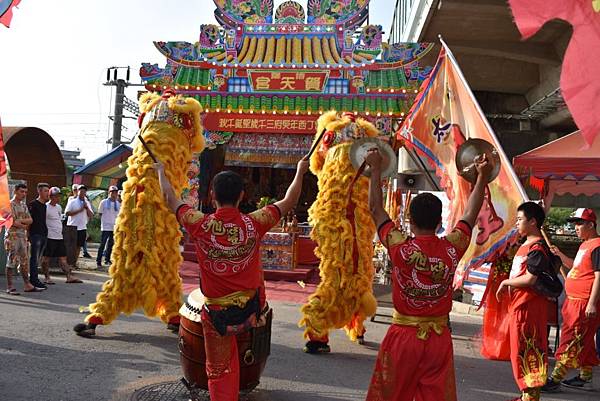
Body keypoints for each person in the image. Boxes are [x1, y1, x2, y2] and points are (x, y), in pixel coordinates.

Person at [155, 155, 309, 401]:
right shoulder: (254, 222)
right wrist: (300, 171)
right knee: (240, 359)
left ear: (212, 196)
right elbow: (290, 200)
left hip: (216, 315)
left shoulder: (199, 223)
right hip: (250, 312)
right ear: (241, 196)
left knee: (219, 370)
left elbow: (169, 198)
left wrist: (161, 170)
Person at [364, 149, 491, 401]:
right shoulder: (453, 245)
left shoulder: (399, 246)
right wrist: (482, 179)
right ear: (438, 223)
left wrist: (376, 169)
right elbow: (470, 214)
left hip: (403, 336)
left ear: (410, 220)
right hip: (438, 338)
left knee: (391, 395)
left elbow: (375, 209)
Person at [496, 202, 552, 401]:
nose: (517, 223)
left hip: (528, 307)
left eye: (520, 219)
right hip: (519, 305)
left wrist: (505, 282)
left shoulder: (536, 249)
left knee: (529, 349)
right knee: (521, 349)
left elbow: (530, 279)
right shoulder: (526, 246)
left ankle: (531, 395)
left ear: (533, 222)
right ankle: (527, 394)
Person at [542, 208, 600, 392]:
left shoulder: (597, 246)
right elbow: (576, 267)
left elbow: (599, 276)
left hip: (584, 302)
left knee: (572, 339)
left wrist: (591, 302)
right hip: (574, 301)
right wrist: (559, 254)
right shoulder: (585, 245)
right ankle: (585, 377)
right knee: (585, 340)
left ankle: (556, 378)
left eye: (579, 223)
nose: (576, 227)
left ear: (591, 225)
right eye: (575, 223)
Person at [4, 183, 42, 294]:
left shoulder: (23, 205)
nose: (24, 194)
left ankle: (27, 285)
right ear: (15, 191)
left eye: (25, 192)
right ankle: (10, 286)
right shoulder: (9, 205)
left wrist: (20, 222)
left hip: (22, 237)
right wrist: (22, 224)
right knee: (11, 261)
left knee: (24, 261)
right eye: (21, 191)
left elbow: (30, 220)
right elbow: (11, 222)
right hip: (12, 236)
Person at [41, 187, 83, 284]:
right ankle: (47, 277)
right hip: (49, 237)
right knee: (46, 258)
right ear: (50, 197)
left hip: (59, 237)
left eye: (58, 196)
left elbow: (59, 219)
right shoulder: (46, 207)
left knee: (63, 258)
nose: (58, 198)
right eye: (55, 196)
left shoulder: (59, 207)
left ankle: (69, 276)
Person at [27, 182, 50, 289]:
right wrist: (28, 235)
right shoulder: (32, 205)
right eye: (45, 191)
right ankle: (33, 280)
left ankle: (35, 278)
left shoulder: (45, 206)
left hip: (43, 234)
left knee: (38, 259)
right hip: (35, 235)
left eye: (48, 191)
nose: (47, 193)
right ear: (39, 191)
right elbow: (29, 222)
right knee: (34, 258)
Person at [65, 185, 93, 268]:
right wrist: (80, 210)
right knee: (70, 246)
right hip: (72, 227)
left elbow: (91, 215)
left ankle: (74, 263)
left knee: (78, 246)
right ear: (77, 191)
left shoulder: (87, 202)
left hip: (82, 227)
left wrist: (86, 208)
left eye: (84, 191)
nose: (82, 193)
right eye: (81, 191)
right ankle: (68, 263)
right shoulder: (72, 201)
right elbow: (67, 213)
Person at [96, 185, 120, 268]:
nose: (114, 194)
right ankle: (98, 261)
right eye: (112, 192)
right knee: (102, 244)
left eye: (115, 192)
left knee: (111, 244)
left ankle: (107, 259)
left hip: (114, 226)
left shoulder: (118, 203)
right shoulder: (104, 202)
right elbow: (100, 213)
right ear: (109, 193)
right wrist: (103, 222)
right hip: (105, 226)